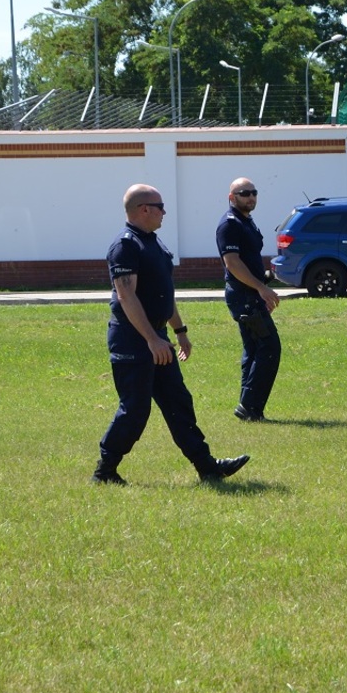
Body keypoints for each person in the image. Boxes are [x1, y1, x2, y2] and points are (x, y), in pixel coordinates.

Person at [91, 184, 250, 485]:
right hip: (134, 340)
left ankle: (208, 467)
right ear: (144, 209)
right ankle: (105, 470)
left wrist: (179, 330)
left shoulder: (153, 243)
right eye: (160, 205)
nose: (165, 211)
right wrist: (151, 339)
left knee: (178, 402)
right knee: (136, 410)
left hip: (158, 338)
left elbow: (163, 295)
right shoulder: (126, 245)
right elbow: (127, 296)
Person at [217, 178, 282, 423]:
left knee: (254, 348)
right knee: (269, 347)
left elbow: (250, 258)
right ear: (231, 197)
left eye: (254, 193)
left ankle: (249, 408)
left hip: (250, 293)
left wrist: (264, 279)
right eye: (244, 193)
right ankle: (249, 407)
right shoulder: (229, 224)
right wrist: (260, 289)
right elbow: (232, 263)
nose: (251, 197)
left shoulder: (246, 221)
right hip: (243, 295)